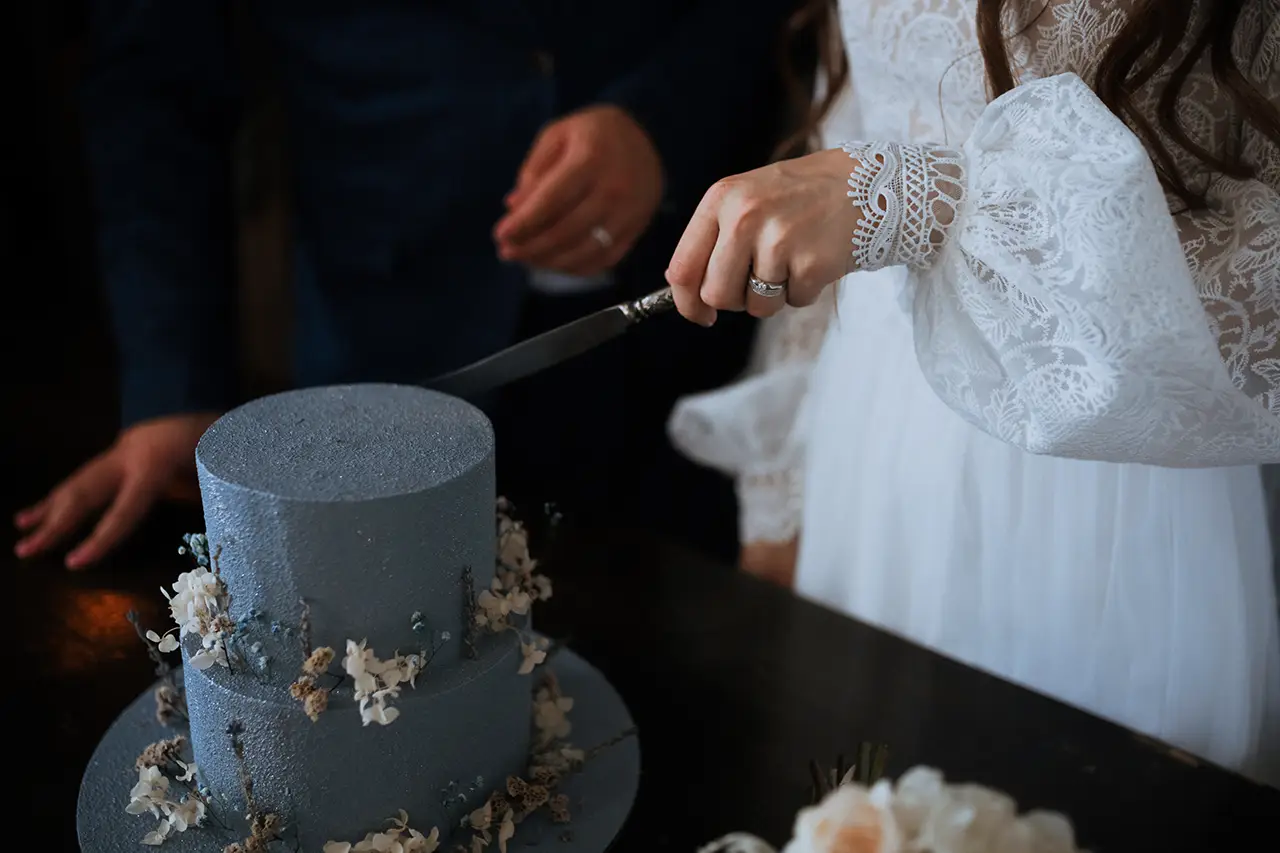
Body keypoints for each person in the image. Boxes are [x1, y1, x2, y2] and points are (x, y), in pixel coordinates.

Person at [667, 0, 1280, 784]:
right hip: (872, 437)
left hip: (1106, 477)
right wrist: (781, 498)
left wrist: (930, 201)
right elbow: (845, 142)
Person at [14, 0, 806, 568]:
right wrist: (171, 381)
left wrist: (664, 119)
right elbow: (155, 83)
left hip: (702, 329)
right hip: (388, 329)